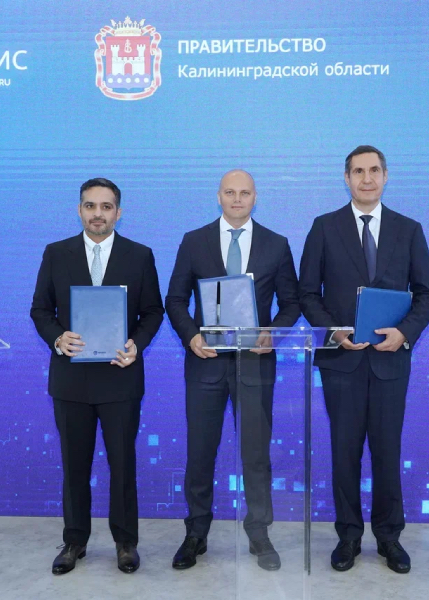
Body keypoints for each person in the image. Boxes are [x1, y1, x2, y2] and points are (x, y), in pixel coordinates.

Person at [298, 146, 429, 573]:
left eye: (374, 170)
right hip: (341, 361)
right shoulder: (324, 227)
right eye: (358, 171)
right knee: (344, 453)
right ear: (346, 178)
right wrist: (334, 332)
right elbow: (307, 294)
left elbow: (426, 294)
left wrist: (405, 333)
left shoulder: (408, 230)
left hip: (390, 362)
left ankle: (389, 537)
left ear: (386, 176)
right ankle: (348, 536)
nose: (367, 178)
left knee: (386, 452)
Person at [165, 169, 301, 571]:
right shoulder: (194, 241)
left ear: (255, 197)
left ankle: (259, 533)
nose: (237, 199)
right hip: (205, 362)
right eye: (230, 192)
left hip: (255, 363)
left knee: (256, 453)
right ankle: (196, 533)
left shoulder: (277, 244)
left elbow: (292, 303)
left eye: (244, 193)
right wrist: (191, 336)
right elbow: (175, 299)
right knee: (200, 452)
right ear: (219, 196)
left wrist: (273, 332)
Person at [30, 177, 164, 575]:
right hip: (70, 380)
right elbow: (40, 310)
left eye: (106, 207)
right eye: (90, 206)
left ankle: (125, 542)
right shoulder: (56, 253)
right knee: (74, 466)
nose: (98, 214)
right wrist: (58, 338)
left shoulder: (140, 255)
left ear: (118, 212)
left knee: (122, 465)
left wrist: (137, 344)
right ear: (79, 210)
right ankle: (75, 541)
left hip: (120, 377)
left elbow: (153, 311)